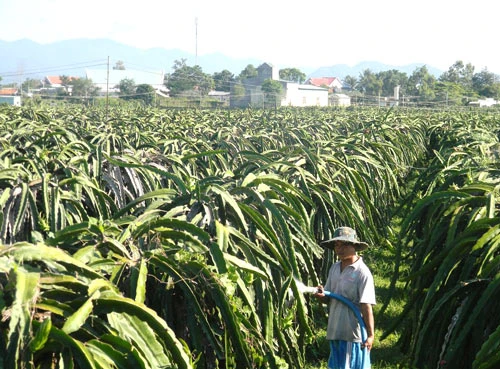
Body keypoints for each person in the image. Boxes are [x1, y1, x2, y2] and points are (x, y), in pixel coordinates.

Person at [314, 226, 376, 369]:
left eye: (344, 245)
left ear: (354, 246)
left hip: (352, 333)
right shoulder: (334, 268)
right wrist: (321, 295)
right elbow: (328, 297)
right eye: (337, 245)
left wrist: (371, 335)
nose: (339, 249)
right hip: (335, 330)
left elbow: (366, 306)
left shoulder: (362, 272)